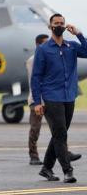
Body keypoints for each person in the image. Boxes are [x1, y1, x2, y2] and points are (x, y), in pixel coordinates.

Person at [32, 13, 87, 183]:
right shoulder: (43, 49)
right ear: (50, 27)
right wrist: (37, 101)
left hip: (69, 96)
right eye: (56, 23)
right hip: (51, 97)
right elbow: (36, 77)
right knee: (61, 134)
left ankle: (46, 168)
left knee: (59, 133)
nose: (59, 25)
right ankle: (67, 171)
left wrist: (78, 34)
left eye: (61, 23)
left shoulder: (71, 46)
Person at [27, 34, 81, 165]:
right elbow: (35, 81)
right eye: (46, 43)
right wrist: (38, 101)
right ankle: (33, 155)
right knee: (35, 128)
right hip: (38, 99)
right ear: (39, 45)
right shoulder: (33, 60)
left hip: (52, 98)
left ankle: (62, 155)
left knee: (59, 130)